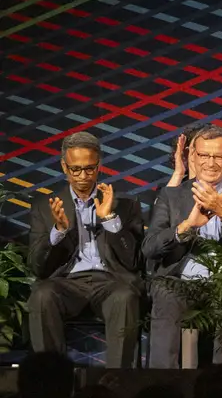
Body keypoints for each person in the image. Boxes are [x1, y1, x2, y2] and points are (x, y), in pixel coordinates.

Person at [143, 125, 222, 369]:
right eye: (204, 155)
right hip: (179, 282)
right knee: (165, 295)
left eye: (218, 156)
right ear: (193, 157)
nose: (211, 162)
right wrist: (187, 226)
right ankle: (161, 386)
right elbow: (150, 248)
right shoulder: (171, 196)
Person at [28, 132, 146, 366]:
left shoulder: (125, 204)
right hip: (66, 282)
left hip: (111, 281)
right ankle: (51, 382)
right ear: (64, 167)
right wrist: (58, 232)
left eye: (90, 169)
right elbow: (37, 266)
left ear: (99, 165)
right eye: (76, 169)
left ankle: (118, 381)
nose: (83, 176)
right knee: (41, 296)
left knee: (125, 297)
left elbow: (134, 261)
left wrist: (111, 219)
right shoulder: (45, 206)